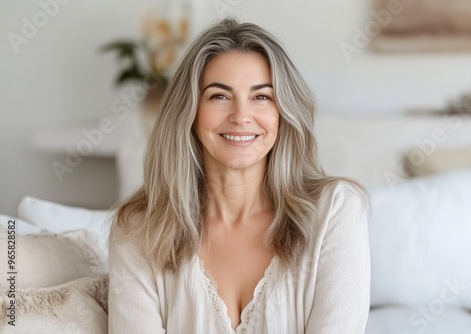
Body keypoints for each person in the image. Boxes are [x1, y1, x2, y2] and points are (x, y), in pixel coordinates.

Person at [108, 17, 370, 334]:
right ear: (189, 111)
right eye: (220, 96)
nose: (241, 117)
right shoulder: (138, 229)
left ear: (283, 112)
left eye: (261, 96)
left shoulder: (335, 211)